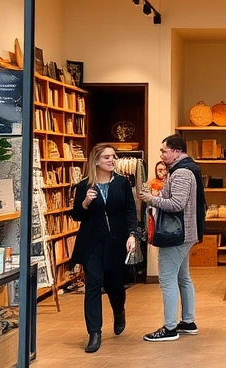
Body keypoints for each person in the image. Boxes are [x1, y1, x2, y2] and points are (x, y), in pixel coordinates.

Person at [69, 143, 139, 353]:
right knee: (93, 283)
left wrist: (132, 235)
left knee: (114, 285)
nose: (112, 160)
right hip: (92, 241)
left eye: (114, 157)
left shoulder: (122, 183)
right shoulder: (84, 186)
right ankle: (94, 333)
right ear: (96, 160)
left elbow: (130, 211)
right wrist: (85, 203)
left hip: (116, 241)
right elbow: (76, 216)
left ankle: (119, 311)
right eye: (107, 157)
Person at [139, 135, 202, 342]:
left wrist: (151, 199)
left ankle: (169, 327)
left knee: (167, 279)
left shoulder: (182, 172)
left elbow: (177, 204)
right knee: (183, 277)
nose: (161, 154)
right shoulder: (184, 169)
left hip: (177, 235)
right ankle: (188, 321)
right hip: (185, 234)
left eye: (164, 150)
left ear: (176, 151)